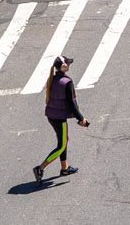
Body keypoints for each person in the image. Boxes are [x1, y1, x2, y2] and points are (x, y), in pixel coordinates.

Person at [32, 54, 88, 183]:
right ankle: (40, 168)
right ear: (63, 66)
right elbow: (71, 104)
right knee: (62, 145)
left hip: (52, 115)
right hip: (59, 118)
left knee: (63, 141)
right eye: (67, 63)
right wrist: (81, 118)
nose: (69, 65)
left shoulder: (54, 78)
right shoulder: (67, 82)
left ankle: (64, 168)